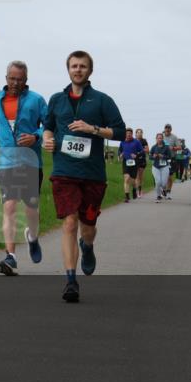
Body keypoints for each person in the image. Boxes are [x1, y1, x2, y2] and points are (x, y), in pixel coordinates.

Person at [42, 50, 126, 302]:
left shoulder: (102, 100)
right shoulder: (56, 99)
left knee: (87, 227)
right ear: (68, 69)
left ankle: (87, 247)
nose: (78, 70)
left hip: (92, 174)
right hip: (64, 172)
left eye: (82, 66)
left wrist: (93, 129)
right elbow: (48, 127)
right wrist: (47, 139)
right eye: (73, 66)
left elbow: (121, 132)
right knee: (69, 223)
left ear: (90, 71)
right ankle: (70, 280)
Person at [0, 61, 48, 275]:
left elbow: (49, 125)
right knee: (9, 207)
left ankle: (32, 237)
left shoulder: (37, 100)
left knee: (31, 210)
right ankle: (10, 256)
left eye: (19, 79)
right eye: (11, 78)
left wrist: (36, 136)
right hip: (6, 163)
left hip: (31, 162)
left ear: (26, 81)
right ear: (6, 78)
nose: (15, 83)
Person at [118, 129, 144, 202]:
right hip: (126, 162)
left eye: (130, 133)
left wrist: (136, 155)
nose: (128, 135)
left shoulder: (136, 142)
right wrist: (120, 154)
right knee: (126, 178)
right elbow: (119, 150)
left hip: (134, 162)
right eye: (127, 133)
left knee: (132, 180)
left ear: (132, 134)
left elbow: (142, 151)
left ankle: (134, 188)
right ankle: (127, 196)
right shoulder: (122, 141)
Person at [149, 132, 172, 200]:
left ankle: (164, 190)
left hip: (164, 166)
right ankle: (158, 195)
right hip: (155, 167)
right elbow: (150, 157)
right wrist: (153, 156)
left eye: (161, 138)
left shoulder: (166, 147)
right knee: (158, 181)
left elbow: (169, 157)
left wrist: (163, 156)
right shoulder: (153, 147)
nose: (159, 139)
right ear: (156, 139)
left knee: (164, 183)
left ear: (163, 139)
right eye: (158, 138)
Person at [163, 124, 181, 198]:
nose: (167, 129)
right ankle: (164, 190)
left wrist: (173, 148)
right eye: (166, 128)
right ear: (164, 129)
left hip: (171, 158)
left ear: (171, 129)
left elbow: (179, 147)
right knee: (163, 176)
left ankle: (168, 191)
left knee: (169, 176)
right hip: (163, 158)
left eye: (168, 128)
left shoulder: (174, 137)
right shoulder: (162, 137)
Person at [134, 128, 149, 198]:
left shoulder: (144, 141)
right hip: (135, 160)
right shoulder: (133, 141)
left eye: (141, 132)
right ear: (135, 134)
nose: (139, 134)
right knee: (136, 177)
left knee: (140, 177)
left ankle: (140, 190)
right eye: (138, 132)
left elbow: (147, 150)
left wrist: (140, 151)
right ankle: (137, 192)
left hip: (142, 160)